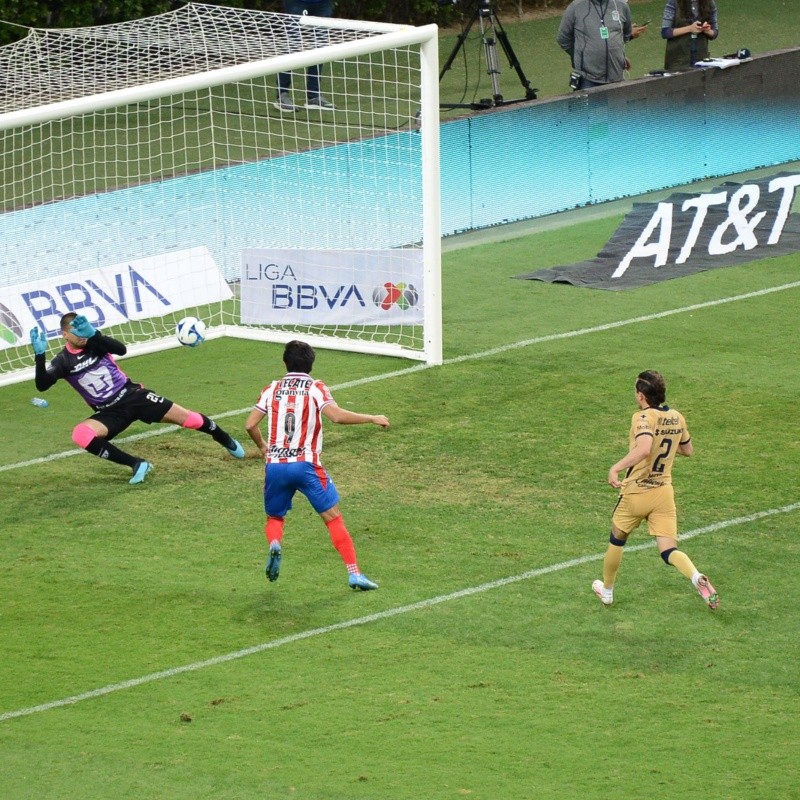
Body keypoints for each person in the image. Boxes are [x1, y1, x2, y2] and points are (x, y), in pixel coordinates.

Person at [30, 312, 245, 485]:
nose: (80, 336)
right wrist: (40, 357)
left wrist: (94, 334)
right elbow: (42, 385)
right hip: (109, 412)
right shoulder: (63, 361)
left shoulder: (94, 342)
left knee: (189, 419)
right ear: (65, 335)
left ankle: (223, 438)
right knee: (81, 434)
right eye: (75, 332)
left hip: (133, 395)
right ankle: (137, 464)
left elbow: (121, 350)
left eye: (82, 330)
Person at [245, 340, 388, 590]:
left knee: (274, 517)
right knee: (333, 518)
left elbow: (250, 425)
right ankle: (354, 573)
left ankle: (275, 545)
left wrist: (263, 447)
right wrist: (372, 417)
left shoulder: (272, 388)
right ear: (311, 364)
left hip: (275, 465)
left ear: (284, 363)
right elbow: (336, 416)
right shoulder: (315, 387)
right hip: (305, 465)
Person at [592, 370, 719, 609]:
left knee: (617, 539)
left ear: (641, 396)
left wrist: (615, 468)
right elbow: (687, 450)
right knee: (668, 550)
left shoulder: (641, 418)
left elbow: (643, 449)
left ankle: (607, 591)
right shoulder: (676, 417)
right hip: (663, 493)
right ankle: (695, 576)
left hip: (637, 492)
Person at [557, 0, 648, 90]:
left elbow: (625, 35)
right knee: (591, 105)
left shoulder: (621, 5)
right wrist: (581, 57)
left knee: (617, 104)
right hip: (588, 79)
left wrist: (617, 55)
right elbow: (563, 39)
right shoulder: (576, 7)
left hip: (616, 77)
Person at [274, 0, 336, 113]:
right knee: (292, 46)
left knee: (320, 47)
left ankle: (313, 96)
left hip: (323, 3)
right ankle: (282, 94)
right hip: (297, 2)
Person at [661, 0, 719, 71]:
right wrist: (689, 28)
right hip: (678, 60)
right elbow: (665, 32)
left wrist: (707, 30)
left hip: (701, 59)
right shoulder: (673, 2)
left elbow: (715, 32)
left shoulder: (710, 3)